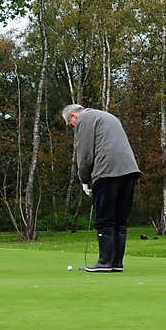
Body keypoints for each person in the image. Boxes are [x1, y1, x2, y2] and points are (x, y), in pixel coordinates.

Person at [62, 104, 141, 272]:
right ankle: (116, 263)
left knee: (105, 219)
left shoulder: (84, 119)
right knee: (120, 221)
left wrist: (84, 179)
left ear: (73, 116)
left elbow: (84, 153)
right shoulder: (107, 116)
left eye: (71, 124)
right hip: (129, 170)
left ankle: (105, 262)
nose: (73, 127)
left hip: (107, 171)